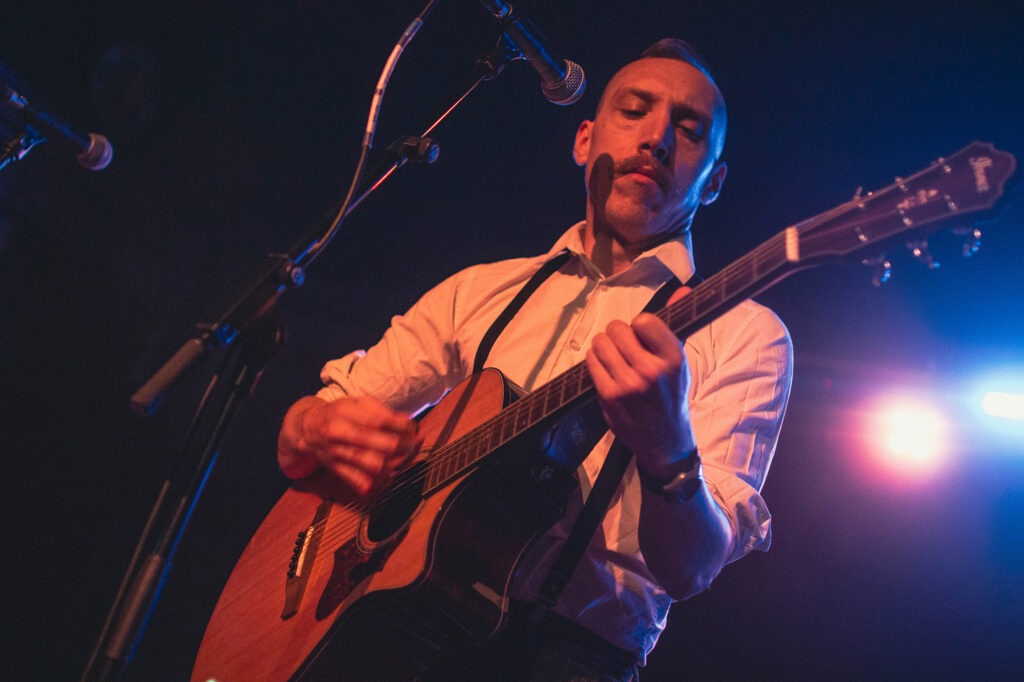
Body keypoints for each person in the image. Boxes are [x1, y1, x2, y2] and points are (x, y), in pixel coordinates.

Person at [277, 38, 792, 681]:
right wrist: (311, 426)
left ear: (713, 180)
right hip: (390, 632)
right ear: (584, 141)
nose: (657, 138)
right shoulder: (479, 289)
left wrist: (666, 448)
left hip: (567, 659)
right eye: (635, 110)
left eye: (688, 131)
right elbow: (309, 431)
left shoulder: (744, 331)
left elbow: (690, 569)